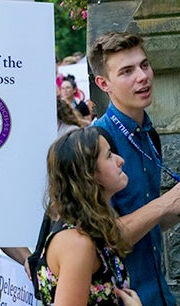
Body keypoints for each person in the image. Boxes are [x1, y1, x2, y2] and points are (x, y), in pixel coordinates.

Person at [90, 31, 180, 305]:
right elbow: (105, 239)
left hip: (160, 295)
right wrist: (166, 203)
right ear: (104, 83)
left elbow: (151, 223)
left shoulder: (148, 132)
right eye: (127, 71)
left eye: (144, 65)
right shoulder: (95, 143)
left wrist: (173, 208)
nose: (143, 76)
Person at [36, 127, 142, 305]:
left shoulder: (89, 229)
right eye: (109, 156)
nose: (120, 160)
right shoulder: (77, 243)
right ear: (89, 175)